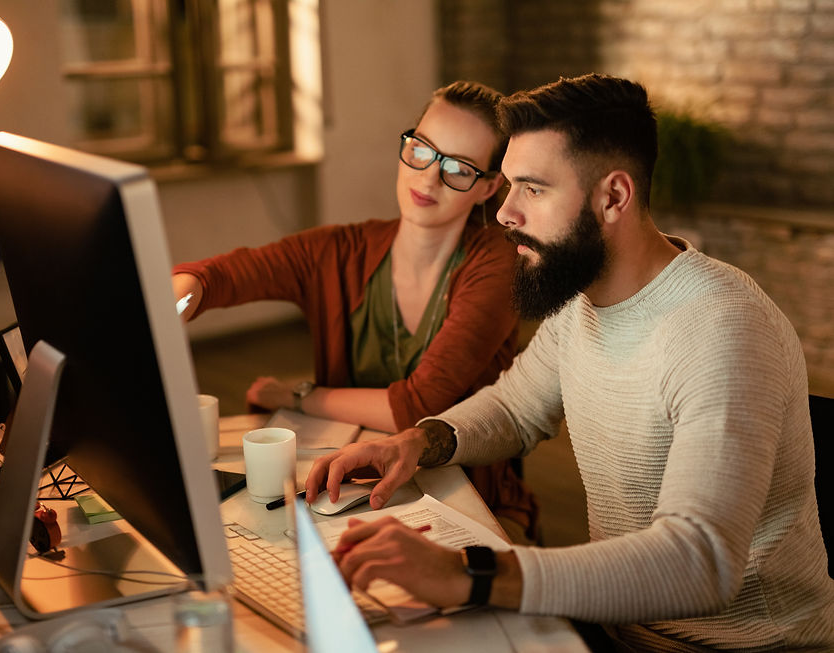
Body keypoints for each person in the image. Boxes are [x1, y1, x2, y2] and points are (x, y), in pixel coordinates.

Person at [305, 73, 834, 651]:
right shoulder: (584, 298)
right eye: (507, 186)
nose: (504, 213)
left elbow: (699, 560)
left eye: (531, 189)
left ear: (613, 198)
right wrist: (415, 442)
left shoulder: (721, 329)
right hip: (618, 628)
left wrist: (469, 576)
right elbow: (514, 408)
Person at [172, 81, 538, 541]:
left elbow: (418, 407)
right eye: (422, 150)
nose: (427, 178)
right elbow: (221, 276)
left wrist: (297, 396)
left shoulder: (497, 265)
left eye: (458, 168)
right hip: (341, 484)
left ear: (488, 187)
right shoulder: (343, 250)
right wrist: (184, 294)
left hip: (462, 494)